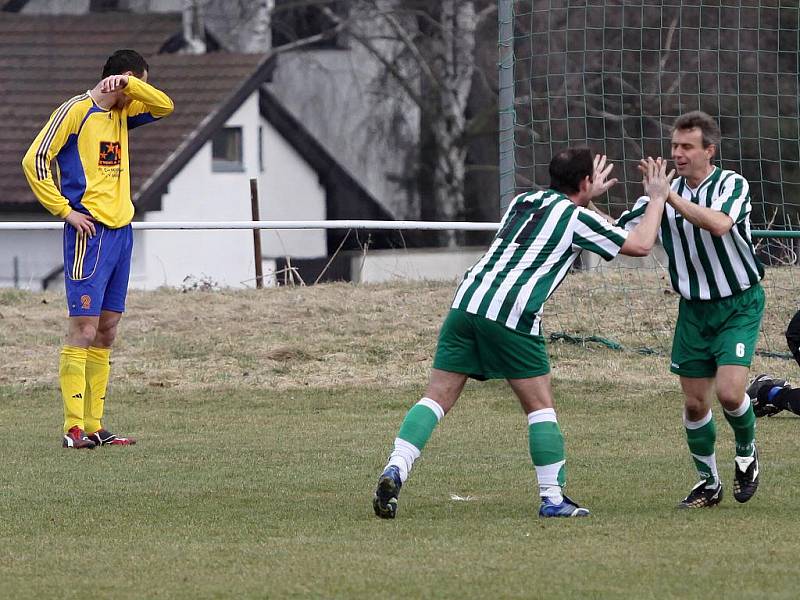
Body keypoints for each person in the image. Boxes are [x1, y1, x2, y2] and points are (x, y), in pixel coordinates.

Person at [372, 148, 671, 519]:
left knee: (436, 397)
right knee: (540, 406)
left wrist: (585, 197)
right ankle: (552, 498)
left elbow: (565, 219)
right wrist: (657, 197)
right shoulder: (576, 217)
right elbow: (640, 245)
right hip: (512, 313)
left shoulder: (522, 201)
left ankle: (396, 467)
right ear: (584, 182)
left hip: (467, 302)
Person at [22, 49, 174, 449]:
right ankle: (73, 427)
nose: (137, 95)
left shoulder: (124, 112)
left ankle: (95, 426)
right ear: (123, 77)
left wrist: (130, 85)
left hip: (122, 233)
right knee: (84, 329)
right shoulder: (76, 110)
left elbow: (165, 105)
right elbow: (35, 159)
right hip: (89, 233)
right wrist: (64, 211)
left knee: (106, 331)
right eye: (135, 82)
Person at [616, 111, 764, 509]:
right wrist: (581, 204)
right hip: (694, 310)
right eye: (674, 147)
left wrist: (667, 197)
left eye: (686, 147)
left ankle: (747, 454)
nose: (677, 155)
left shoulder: (731, 183)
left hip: (738, 303)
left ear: (708, 150)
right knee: (696, 403)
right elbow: (622, 234)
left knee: (732, 393)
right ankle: (708, 482)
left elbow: (718, 224)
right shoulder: (660, 194)